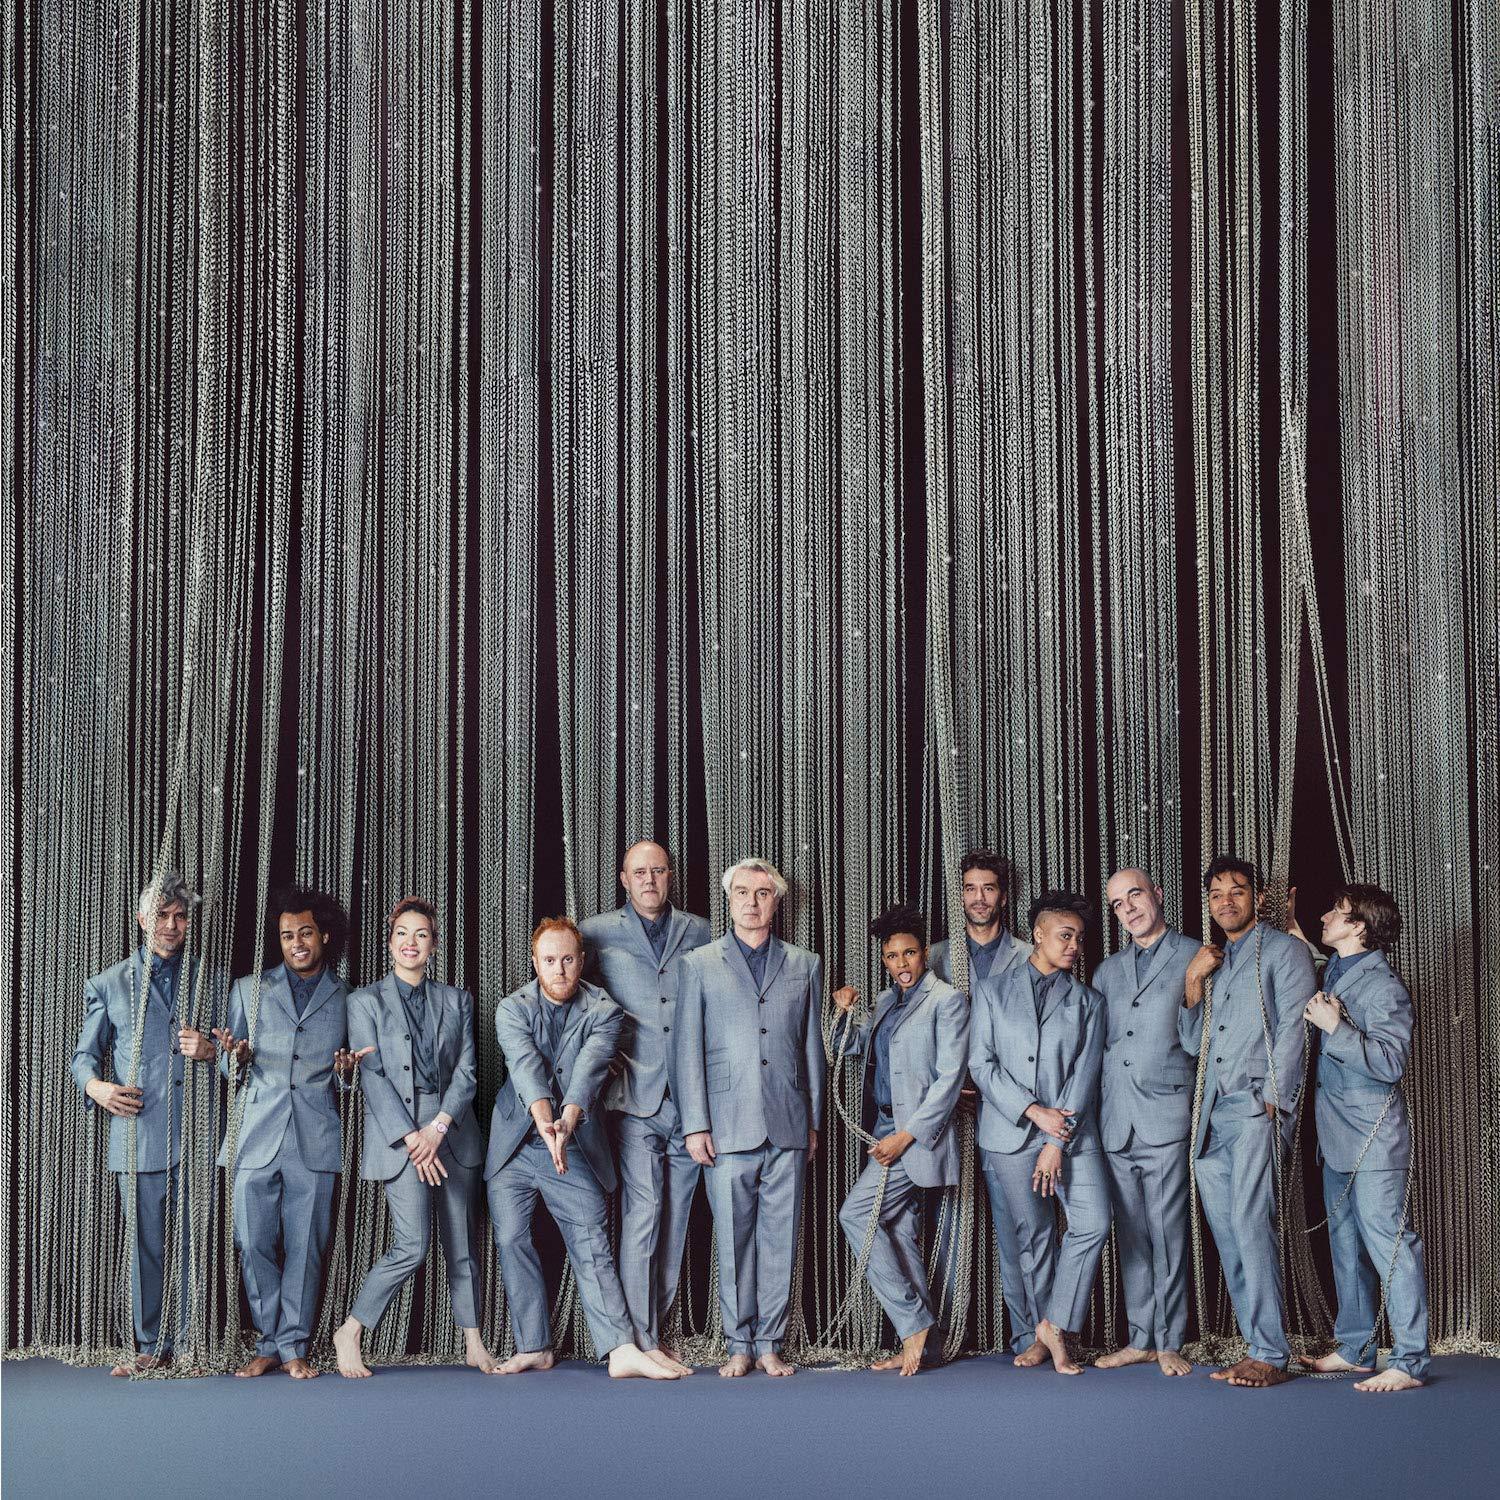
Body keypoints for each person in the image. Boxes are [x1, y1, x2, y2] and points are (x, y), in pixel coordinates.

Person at [485, 917, 678, 1379]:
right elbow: (525, 1068)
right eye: (550, 960)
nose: (560, 969)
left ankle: (621, 1350)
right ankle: (535, 1347)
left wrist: (565, 1124)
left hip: (571, 1143)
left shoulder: (605, 1011)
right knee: (511, 1239)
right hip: (515, 1145)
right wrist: (545, 1123)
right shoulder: (512, 1008)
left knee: (591, 1241)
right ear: (535, 963)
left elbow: (588, 1072)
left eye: (568, 959)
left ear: (582, 960)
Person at [675, 858, 826, 1377]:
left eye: (762, 893)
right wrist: (695, 1124)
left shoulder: (805, 963)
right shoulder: (699, 964)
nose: (751, 902)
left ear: (776, 901)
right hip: (725, 1125)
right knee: (734, 1241)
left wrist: (813, 1121)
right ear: (729, 899)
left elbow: (811, 1050)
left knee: (780, 1240)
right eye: (742, 892)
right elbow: (686, 1050)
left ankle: (769, 1344)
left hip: (788, 1123)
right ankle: (738, 1343)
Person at [332, 897, 495, 1377]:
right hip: (400, 1137)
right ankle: (351, 1330)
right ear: (389, 943)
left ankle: (473, 1343)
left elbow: (467, 1071)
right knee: (412, 1245)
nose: (411, 942)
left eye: (421, 934)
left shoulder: (457, 1000)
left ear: (434, 945)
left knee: (463, 1243)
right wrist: (413, 1139)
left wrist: (438, 1127)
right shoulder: (364, 1002)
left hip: (451, 1130)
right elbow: (372, 1075)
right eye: (402, 933)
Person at [213, 887, 364, 1378]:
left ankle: (293, 1345)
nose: (296, 943)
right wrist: (234, 1059)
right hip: (255, 1133)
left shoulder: (348, 998)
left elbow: (351, 1074)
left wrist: (345, 1074)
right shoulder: (247, 989)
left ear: (324, 936)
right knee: (252, 1242)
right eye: (286, 936)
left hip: (315, 1136)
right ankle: (268, 1342)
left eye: (305, 933)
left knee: (305, 1247)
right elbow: (227, 1063)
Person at [72, 871, 218, 1374]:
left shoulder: (212, 979)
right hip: (137, 1133)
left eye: (180, 916)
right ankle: (151, 1345)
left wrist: (213, 1050)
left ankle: (191, 1345)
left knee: (194, 1244)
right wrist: (98, 1088)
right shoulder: (109, 983)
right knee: (145, 1246)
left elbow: (237, 1054)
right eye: (162, 915)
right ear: (141, 919)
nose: (172, 925)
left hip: (199, 1133)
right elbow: (83, 1058)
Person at [1180, 856, 1316, 1388]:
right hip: (1212, 1119)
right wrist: (1193, 981)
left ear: (1257, 898)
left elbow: (1295, 1028)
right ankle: (1257, 1344)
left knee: (1252, 1225)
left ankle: (1270, 1354)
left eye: (1237, 891)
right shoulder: (1214, 961)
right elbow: (1193, 1043)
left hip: (1257, 1110)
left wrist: (1273, 1102)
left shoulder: (1284, 951)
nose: (1226, 901)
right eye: (1216, 894)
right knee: (1230, 1231)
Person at [579, 840, 712, 1372]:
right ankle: (640, 1340)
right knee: (644, 1214)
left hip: (693, 1098)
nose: (649, 880)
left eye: (658, 870)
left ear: (670, 875)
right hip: (634, 1095)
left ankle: (656, 1330)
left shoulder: (701, 931)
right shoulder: (595, 932)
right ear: (623, 878)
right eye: (640, 872)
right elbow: (573, 999)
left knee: (676, 1218)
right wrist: (602, 1056)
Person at [1295, 884, 1429, 1393]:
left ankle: (1410, 1362)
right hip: (1337, 1137)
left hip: (1374, 1138)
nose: (1326, 916)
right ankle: (1356, 1350)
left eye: (1337, 911)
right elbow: (1319, 964)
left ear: (1359, 927)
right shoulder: (1340, 967)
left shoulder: (1385, 987)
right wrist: (1292, 928)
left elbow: (1391, 1063)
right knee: (1346, 1243)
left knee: (1390, 1246)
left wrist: (1336, 1028)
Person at [970, 890, 1108, 1375]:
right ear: (1038, 934)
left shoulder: (1089, 1001)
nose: (1074, 947)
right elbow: (981, 1064)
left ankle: (1054, 1324)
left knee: (1093, 1222)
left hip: (1072, 1135)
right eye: (1065, 936)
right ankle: (1039, 1338)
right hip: (1009, 1133)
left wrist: (1055, 1139)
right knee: (1034, 1237)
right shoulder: (991, 991)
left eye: (1080, 939)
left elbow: (1084, 1075)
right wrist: (1032, 1111)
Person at [831, 905, 969, 1375]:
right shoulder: (887, 1002)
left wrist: (906, 1137)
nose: (902, 964)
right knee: (896, 1230)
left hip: (915, 1138)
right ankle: (927, 1347)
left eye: (909, 953)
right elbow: (854, 1048)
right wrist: (845, 1013)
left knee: (855, 1216)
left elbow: (949, 1079)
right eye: (892, 956)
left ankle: (912, 1324)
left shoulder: (946, 1000)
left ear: (924, 952)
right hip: (883, 1129)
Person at [1092, 869, 1198, 1377]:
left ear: (1157, 893)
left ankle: (1169, 1339)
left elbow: (1202, 1038)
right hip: (1115, 1119)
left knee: (1167, 1232)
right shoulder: (1106, 971)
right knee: (1131, 1235)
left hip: (1165, 1115)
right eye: (1117, 903)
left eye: (1134, 894)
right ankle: (1141, 1338)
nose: (1128, 908)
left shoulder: (1195, 955)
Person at [928, 850, 1031, 989]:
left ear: (1003, 898)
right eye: (971, 889)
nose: (979, 898)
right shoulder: (933, 956)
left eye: (988, 889)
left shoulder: (1029, 956)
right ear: (961, 897)